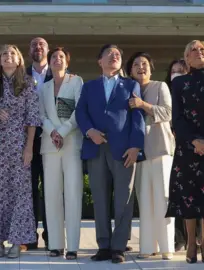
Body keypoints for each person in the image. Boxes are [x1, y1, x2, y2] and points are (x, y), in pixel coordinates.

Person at [75, 44, 145, 264]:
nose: (114, 56)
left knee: (123, 199)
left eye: (117, 55)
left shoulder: (131, 84)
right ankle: (103, 246)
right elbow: (80, 112)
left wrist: (136, 146)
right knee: (100, 199)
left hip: (124, 150)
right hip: (96, 147)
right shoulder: (89, 86)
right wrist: (89, 131)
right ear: (100, 60)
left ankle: (118, 247)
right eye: (109, 54)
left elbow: (138, 116)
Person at [0, 44, 40, 259]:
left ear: (19, 59)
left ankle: (16, 241)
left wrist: (29, 148)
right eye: (4, 53)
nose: (8, 56)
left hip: (18, 146)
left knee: (19, 194)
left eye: (12, 53)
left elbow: (32, 118)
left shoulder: (28, 83)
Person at [166, 40, 204, 264]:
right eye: (193, 50)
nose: (198, 53)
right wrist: (193, 141)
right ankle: (191, 243)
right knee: (188, 197)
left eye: (202, 50)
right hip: (187, 148)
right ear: (187, 58)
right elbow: (177, 117)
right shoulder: (179, 83)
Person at [126, 52, 175, 260]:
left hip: (160, 149)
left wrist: (142, 105)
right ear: (130, 71)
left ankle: (167, 248)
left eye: (144, 64)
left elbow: (167, 113)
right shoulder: (128, 90)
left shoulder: (159, 86)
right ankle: (146, 247)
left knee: (163, 199)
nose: (141, 67)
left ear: (151, 68)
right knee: (144, 200)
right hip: (139, 152)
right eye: (136, 64)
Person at [38, 47, 83, 259]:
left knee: (73, 193)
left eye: (61, 57)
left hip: (71, 143)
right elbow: (41, 114)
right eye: (54, 57)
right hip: (50, 145)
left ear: (67, 62)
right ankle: (55, 244)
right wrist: (52, 133)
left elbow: (79, 111)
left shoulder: (76, 82)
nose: (57, 59)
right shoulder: (44, 87)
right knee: (52, 194)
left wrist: (63, 132)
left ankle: (72, 246)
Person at [25, 37, 52, 250]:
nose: (38, 47)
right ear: (29, 51)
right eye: (34, 45)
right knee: (30, 187)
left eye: (41, 44)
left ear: (48, 50)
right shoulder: (21, 75)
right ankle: (29, 235)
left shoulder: (59, 73)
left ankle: (52, 235)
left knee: (51, 187)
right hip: (27, 140)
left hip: (53, 137)